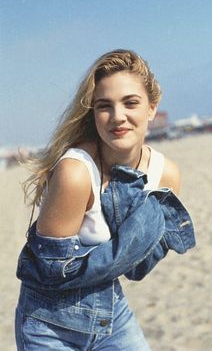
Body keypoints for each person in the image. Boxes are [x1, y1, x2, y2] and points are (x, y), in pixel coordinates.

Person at [15, 49, 195, 350]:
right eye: (104, 106)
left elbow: (137, 269)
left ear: (152, 108)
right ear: (93, 113)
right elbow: (50, 272)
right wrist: (128, 238)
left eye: (130, 103)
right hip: (49, 324)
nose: (117, 117)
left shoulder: (165, 176)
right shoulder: (76, 173)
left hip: (111, 316)